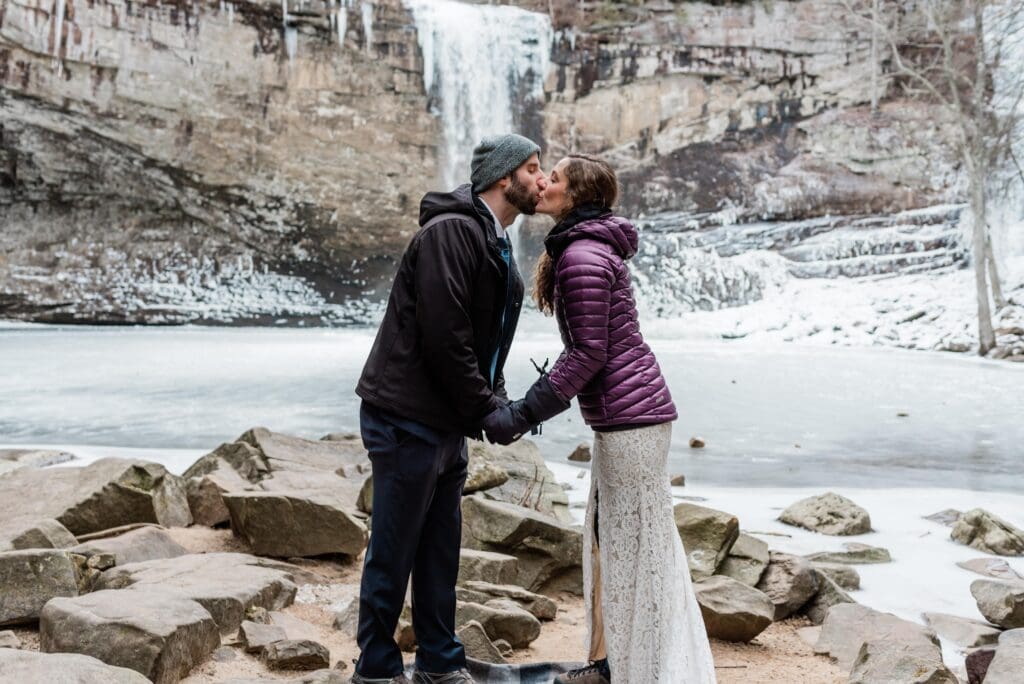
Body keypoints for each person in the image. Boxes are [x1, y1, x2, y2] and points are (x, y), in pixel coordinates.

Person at [487, 154, 717, 683]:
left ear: (577, 198)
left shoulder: (582, 256)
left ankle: (652, 669)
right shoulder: (581, 248)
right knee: (611, 539)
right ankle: (616, 663)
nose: (543, 182)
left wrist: (523, 412)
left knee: (638, 547)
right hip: (630, 415)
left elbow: (588, 353)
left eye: (556, 178)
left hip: (631, 420)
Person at [352, 134, 547, 684]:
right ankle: (376, 668)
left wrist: (496, 400)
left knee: (439, 551)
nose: (542, 178)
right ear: (504, 177)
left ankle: (439, 663)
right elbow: (445, 337)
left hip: (441, 419)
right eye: (534, 168)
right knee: (394, 548)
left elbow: (483, 341)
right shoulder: (453, 232)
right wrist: (490, 412)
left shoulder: (490, 236)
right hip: (405, 415)